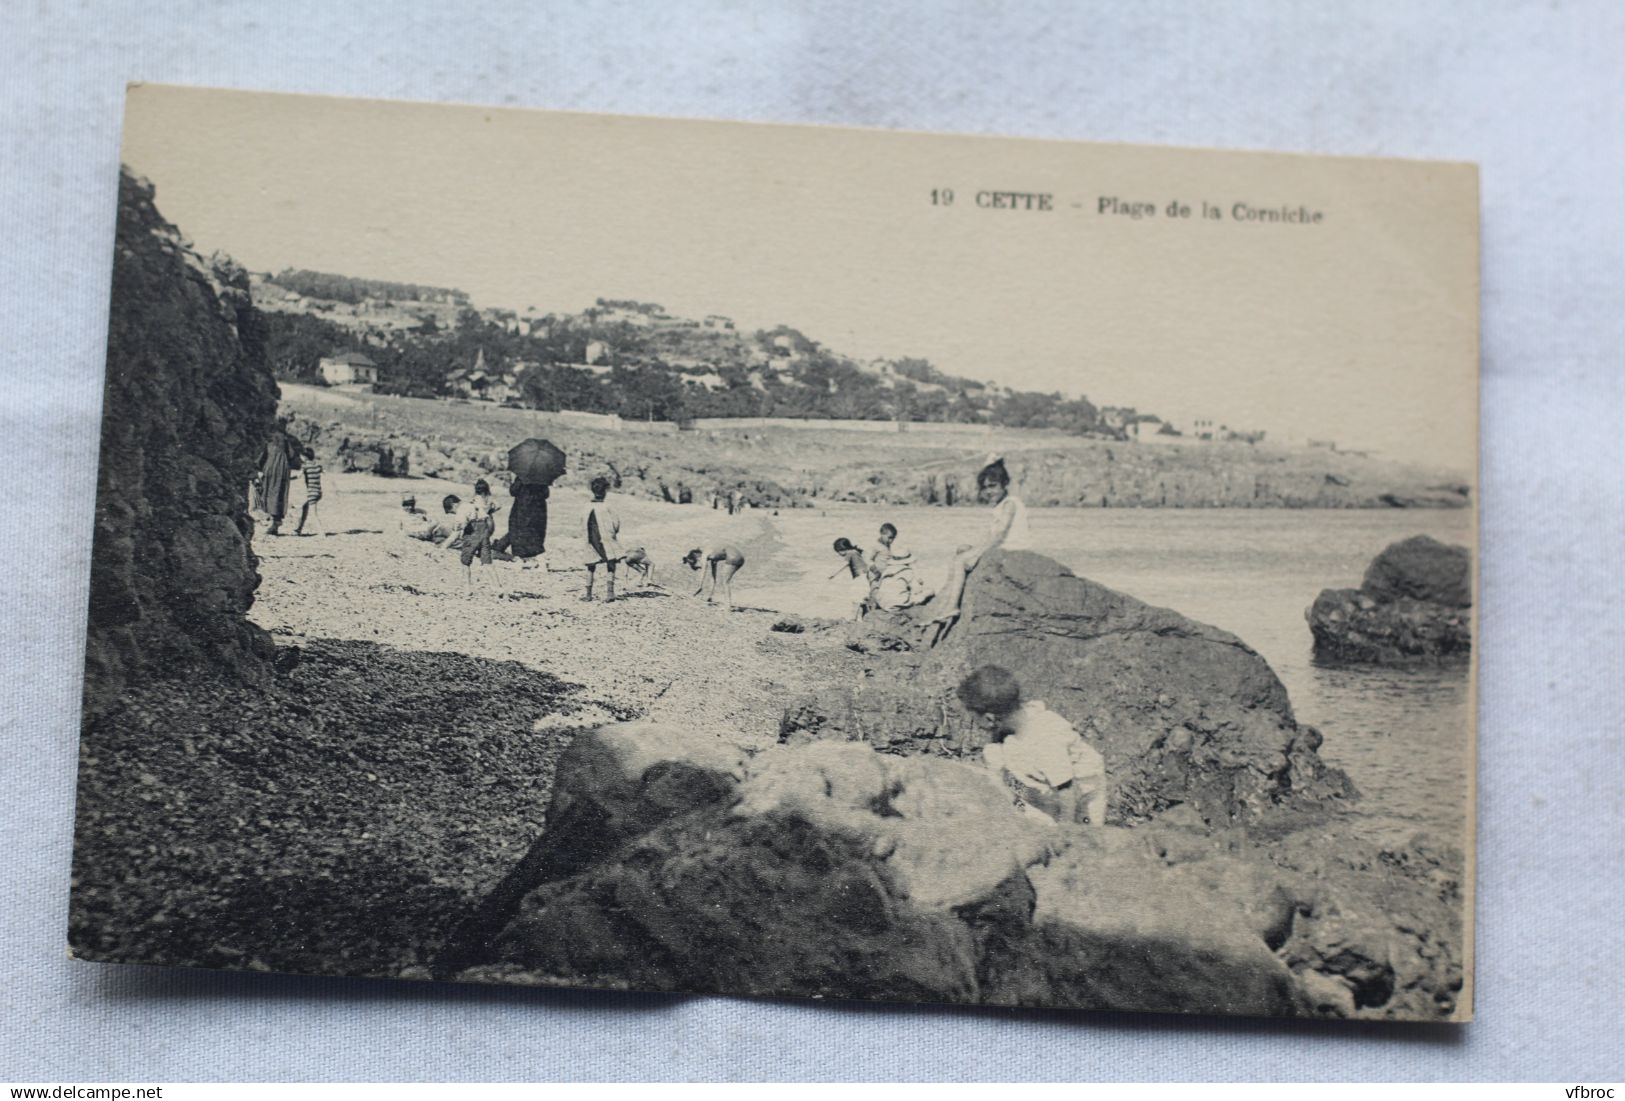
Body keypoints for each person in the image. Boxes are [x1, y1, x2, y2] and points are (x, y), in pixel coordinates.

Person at [956, 665, 1107, 826]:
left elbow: (1068, 791)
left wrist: (1065, 834)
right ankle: (1029, 814)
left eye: (974, 718)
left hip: (1082, 794)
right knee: (1002, 776)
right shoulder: (1014, 720)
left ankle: (1069, 830)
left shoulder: (1044, 740)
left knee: (1085, 832)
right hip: (1044, 784)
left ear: (989, 719)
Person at [922, 455, 1031, 646]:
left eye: (993, 486)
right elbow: (990, 536)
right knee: (962, 551)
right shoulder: (1001, 506)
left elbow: (999, 535)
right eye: (986, 487)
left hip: (1013, 551)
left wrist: (977, 554)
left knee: (962, 561)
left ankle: (952, 605)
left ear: (1004, 484)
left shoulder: (1010, 504)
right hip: (1004, 548)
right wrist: (972, 549)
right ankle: (947, 598)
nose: (989, 492)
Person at [253, 418, 302, 536]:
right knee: (279, 494)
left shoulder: (269, 438)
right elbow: (291, 454)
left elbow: (261, 455)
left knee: (267, 492)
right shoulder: (286, 439)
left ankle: (270, 522)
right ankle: (276, 522)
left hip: (270, 467)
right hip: (283, 469)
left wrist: (257, 466)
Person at [581, 475, 624, 601]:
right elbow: (616, 523)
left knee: (590, 566)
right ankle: (610, 593)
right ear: (605, 491)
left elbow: (582, 523)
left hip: (591, 540)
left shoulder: (586, 506)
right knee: (611, 563)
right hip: (606, 539)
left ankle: (588, 594)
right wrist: (613, 534)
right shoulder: (608, 507)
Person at [453, 479, 502, 585]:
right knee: (487, 561)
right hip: (487, 526)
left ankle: (467, 588)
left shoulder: (474, 501)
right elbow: (499, 505)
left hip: (474, 528)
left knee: (466, 561)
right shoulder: (489, 500)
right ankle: (498, 586)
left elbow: (468, 515)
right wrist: (490, 510)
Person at [492, 481, 549, 568]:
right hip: (539, 509)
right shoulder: (542, 479)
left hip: (522, 508)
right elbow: (546, 494)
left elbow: (513, 491)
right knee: (535, 535)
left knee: (516, 533)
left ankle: (520, 561)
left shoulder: (523, 477)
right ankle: (540, 562)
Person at [869, 522, 926, 611]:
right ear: (882, 534)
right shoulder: (875, 546)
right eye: (889, 538)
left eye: (893, 538)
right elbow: (868, 559)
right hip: (875, 573)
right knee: (874, 592)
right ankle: (872, 611)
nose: (891, 540)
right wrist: (875, 571)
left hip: (887, 571)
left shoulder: (889, 545)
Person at [828, 537, 870, 620]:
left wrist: (833, 574)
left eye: (838, 552)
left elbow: (844, 564)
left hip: (860, 578)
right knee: (860, 599)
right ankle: (860, 619)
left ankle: (853, 618)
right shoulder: (855, 552)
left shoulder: (850, 553)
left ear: (842, 549)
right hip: (865, 577)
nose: (839, 554)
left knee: (856, 599)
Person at [293, 447, 324, 536]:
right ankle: (299, 529)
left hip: (311, 492)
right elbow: (322, 470)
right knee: (305, 508)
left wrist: (289, 478)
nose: (300, 458)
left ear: (305, 457)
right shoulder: (317, 465)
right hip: (318, 492)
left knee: (313, 514)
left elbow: (298, 476)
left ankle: (321, 533)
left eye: (301, 456)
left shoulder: (305, 466)